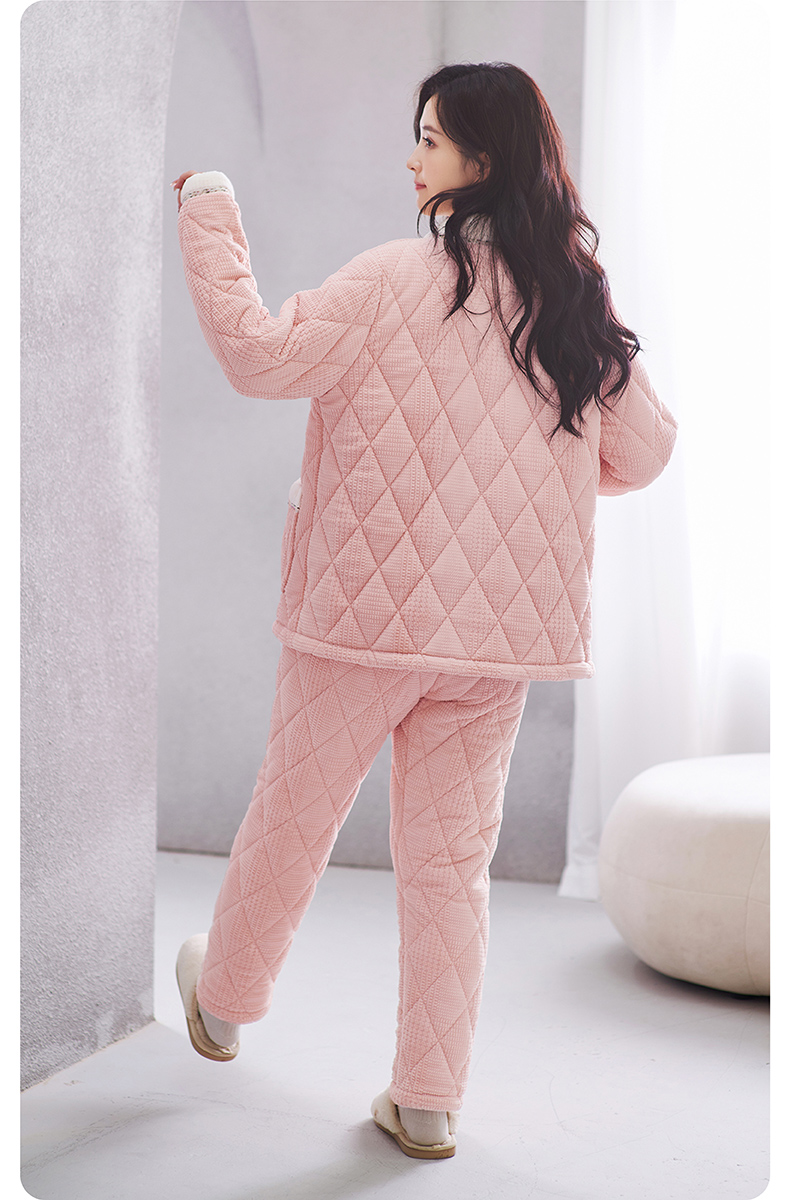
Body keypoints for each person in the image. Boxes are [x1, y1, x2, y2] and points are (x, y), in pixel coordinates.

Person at [172, 62, 677, 1161]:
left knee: (295, 815)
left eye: (431, 140)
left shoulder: (389, 278)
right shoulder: (570, 300)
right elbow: (644, 452)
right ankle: (429, 1100)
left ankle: (223, 1003)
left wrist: (208, 211)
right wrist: (529, 476)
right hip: (496, 643)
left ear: (480, 160)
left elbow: (256, 356)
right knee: (452, 868)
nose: (412, 158)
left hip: (359, 622)